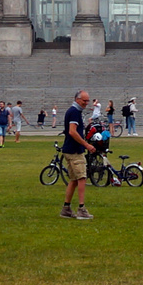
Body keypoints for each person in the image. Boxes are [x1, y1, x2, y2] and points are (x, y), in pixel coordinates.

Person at [60, 90, 95, 220]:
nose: (86, 103)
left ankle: (66, 209)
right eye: (84, 100)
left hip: (69, 149)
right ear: (77, 99)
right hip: (74, 151)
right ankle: (81, 209)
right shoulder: (74, 112)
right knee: (82, 178)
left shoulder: (74, 111)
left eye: (87, 100)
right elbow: (72, 132)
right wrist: (87, 145)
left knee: (74, 180)